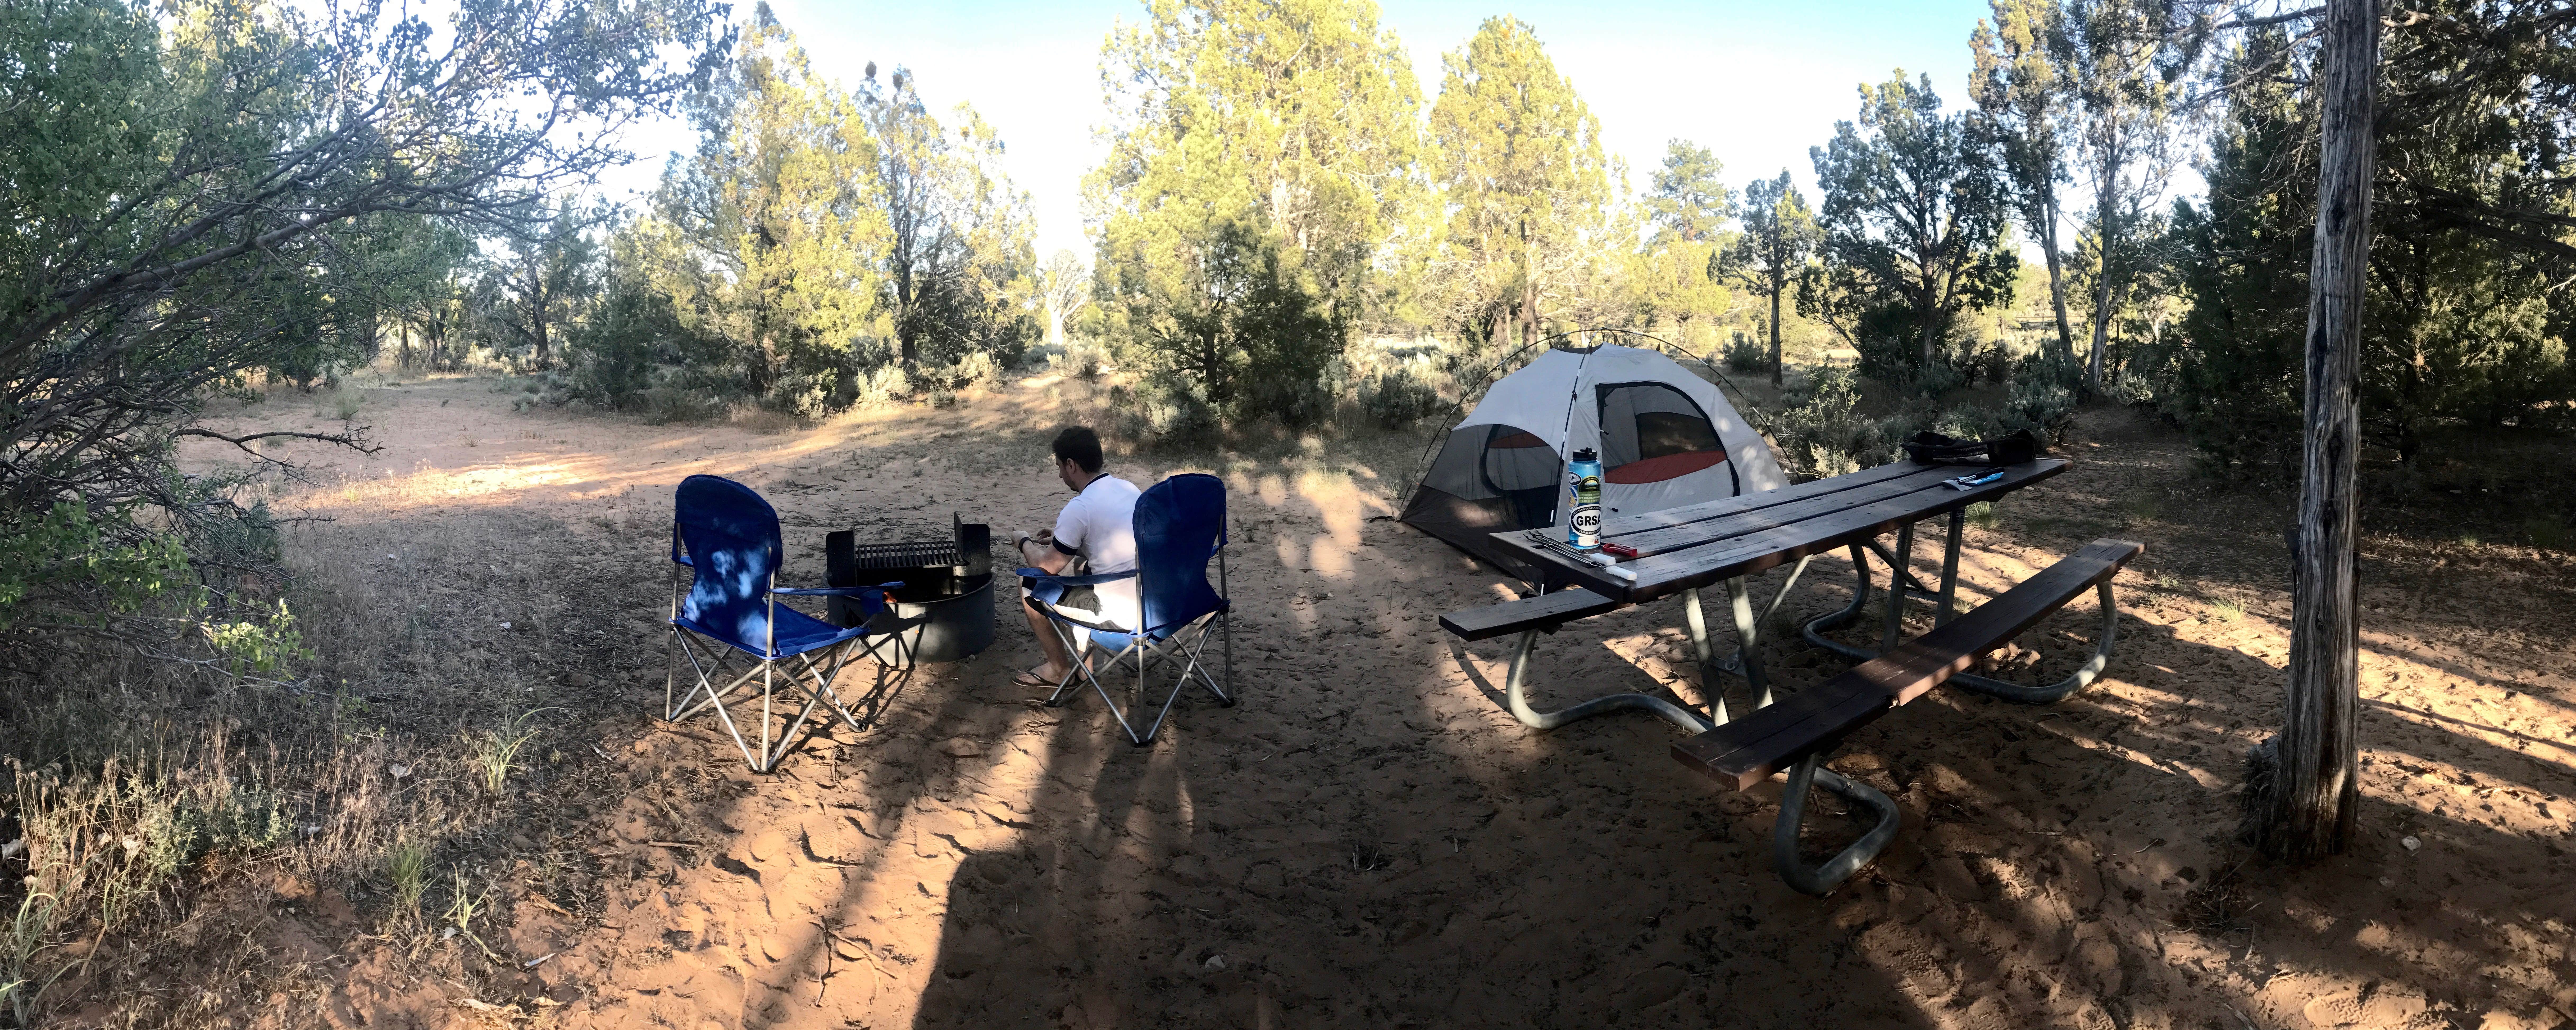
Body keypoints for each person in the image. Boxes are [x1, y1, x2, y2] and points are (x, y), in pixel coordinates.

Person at [1013, 426, 1141, 688]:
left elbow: (1044, 568)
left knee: (1028, 585)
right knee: (1083, 564)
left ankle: (1058, 669)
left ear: (1071, 465)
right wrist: (1066, 540)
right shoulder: (1129, 489)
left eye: (1060, 467)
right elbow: (1110, 542)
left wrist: (1024, 541)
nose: (1060, 474)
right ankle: (1087, 669)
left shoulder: (1080, 508)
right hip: (1154, 607)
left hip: (1119, 619)